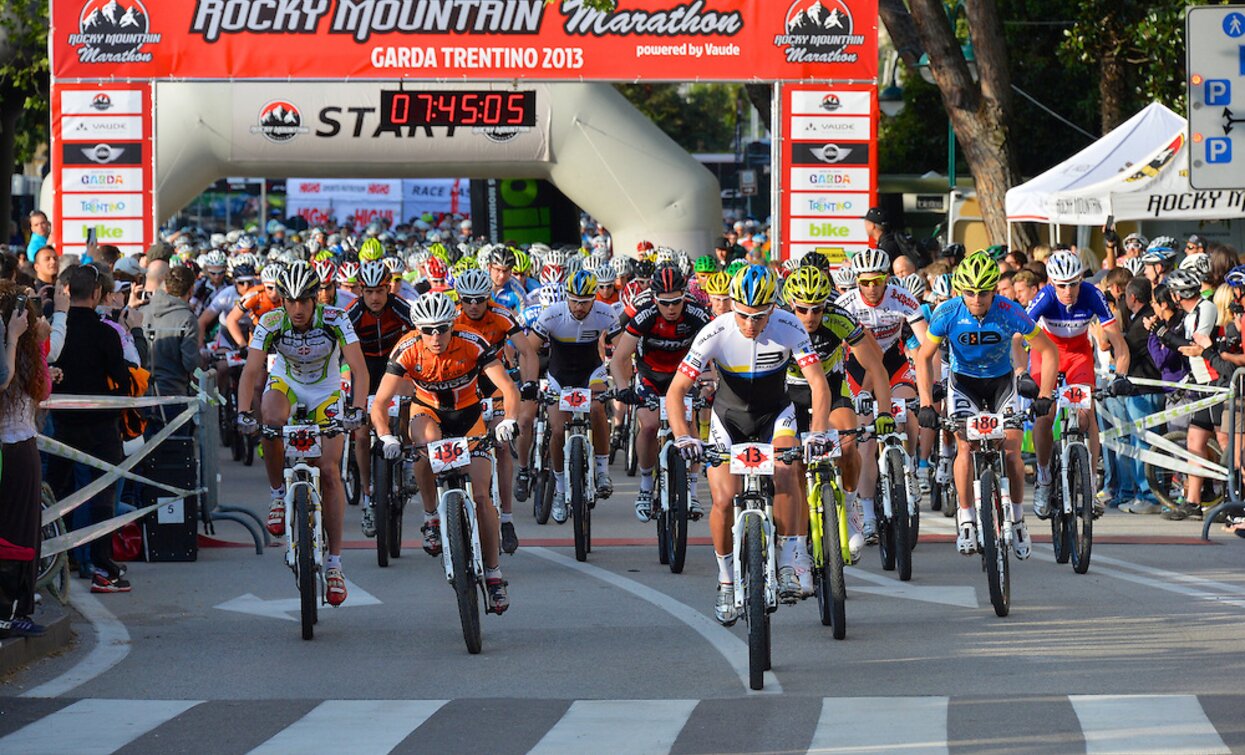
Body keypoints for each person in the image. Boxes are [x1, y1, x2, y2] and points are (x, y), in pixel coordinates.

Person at [666, 265, 833, 618]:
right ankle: (726, 581)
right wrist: (683, 436)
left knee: (786, 470)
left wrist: (817, 430)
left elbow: (818, 384)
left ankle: (787, 563)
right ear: (732, 306)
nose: (750, 324)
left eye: (759, 316)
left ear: (773, 308)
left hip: (776, 414)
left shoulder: (789, 325)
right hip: (729, 420)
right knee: (724, 499)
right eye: (743, 315)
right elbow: (676, 391)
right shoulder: (715, 331)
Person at [371, 292, 519, 613]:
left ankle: (494, 576)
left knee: (481, 498)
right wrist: (386, 436)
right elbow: (380, 402)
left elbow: (507, 387)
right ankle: (431, 518)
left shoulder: (472, 341)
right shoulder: (407, 349)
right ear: (418, 329)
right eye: (428, 330)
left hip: (469, 417)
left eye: (442, 329)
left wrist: (508, 419)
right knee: (425, 444)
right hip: (428, 413)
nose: (435, 337)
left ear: (453, 325)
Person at [237, 262, 368, 607]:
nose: (297, 309)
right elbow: (251, 371)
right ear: (282, 301)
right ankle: (278, 495)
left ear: (315, 300)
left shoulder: (336, 319)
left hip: (325, 390)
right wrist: (242, 412)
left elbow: (359, 368)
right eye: (290, 301)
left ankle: (335, 564)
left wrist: (357, 409)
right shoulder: (270, 321)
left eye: (304, 301)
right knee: (270, 418)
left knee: (329, 471)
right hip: (288, 384)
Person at [915, 252, 1060, 559]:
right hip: (963, 383)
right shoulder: (947, 312)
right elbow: (923, 357)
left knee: (1012, 451)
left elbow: (1048, 351)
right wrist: (927, 403)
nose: (977, 299)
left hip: (1001, 383)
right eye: (970, 292)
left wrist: (1045, 395)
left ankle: (1017, 520)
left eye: (983, 292)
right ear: (960, 291)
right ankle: (967, 518)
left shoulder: (1009, 310)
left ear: (994, 289)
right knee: (965, 447)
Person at [781, 266, 891, 561]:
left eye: (817, 309)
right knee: (794, 463)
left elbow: (876, 367)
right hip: (790, 392)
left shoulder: (838, 318)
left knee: (848, 446)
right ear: (790, 304)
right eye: (802, 309)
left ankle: (851, 506)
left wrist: (884, 412)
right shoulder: (779, 322)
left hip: (831, 386)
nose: (810, 317)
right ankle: (799, 529)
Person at [47, 264, 133, 593]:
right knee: (103, 495)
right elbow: (121, 381)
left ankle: (52, 560)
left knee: (56, 492)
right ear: (97, 293)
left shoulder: (57, 329)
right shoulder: (106, 333)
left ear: (68, 292)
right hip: (101, 424)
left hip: (62, 422)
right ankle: (101, 565)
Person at [1027, 251, 1131, 520]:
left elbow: (1120, 346)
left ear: (1082, 279)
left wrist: (1120, 376)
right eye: (1061, 285)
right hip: (1046, 353)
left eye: (1073, 283)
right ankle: (1044, 477)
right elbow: (1019, 335)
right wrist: (1019, 371)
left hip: (1078, 355)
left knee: (1087, 414)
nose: (1068, 291)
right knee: (1045, 415)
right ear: (1051, 282)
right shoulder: (1045, 297)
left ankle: (1091, 484)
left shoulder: (1092, 295)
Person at [834, 248, 928, 542]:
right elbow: (834, 348)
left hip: (894, 365)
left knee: (907, 411)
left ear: (887, 278)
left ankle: (909, 466)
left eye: (877, 281)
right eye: (865, 282)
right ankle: (868, 516)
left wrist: (929, 389)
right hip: (859, 371)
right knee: (865, 441)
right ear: (857, 281)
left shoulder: (902, 298)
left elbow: (926, 344)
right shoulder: (845, 304)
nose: (871, 288)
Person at [609, 265, 713, 521]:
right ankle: (646, 486)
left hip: (683, 376)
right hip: (651, 375)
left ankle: (692, 490)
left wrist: (712, 382)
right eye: (665, 303)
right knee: (649, 426)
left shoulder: (696, 314)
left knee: (688, 425)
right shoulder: (645, 315)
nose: (671, 308)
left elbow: (716, 351)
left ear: (685, 296)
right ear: (654, 299)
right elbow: (619, 358)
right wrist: (622, 388)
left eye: (677, 301)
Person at [453, 268, 538, 555]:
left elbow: (527, 351)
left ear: (488, 297)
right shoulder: (453, 318)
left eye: (479, 299)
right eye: (467, 299)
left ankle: (507, 519)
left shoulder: (501, 314)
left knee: (502, 444)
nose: (473, 305)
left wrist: (529, 383)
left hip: (495, 385)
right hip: (464, 387)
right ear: (459, 298)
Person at [526, 269, 619, 521]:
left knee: (597, 408)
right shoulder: (552, 314)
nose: (579, 307)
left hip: (591, 372)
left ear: (594, 298)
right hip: (559, 377)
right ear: (567, 297)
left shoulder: (605, 313)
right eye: (574, 301)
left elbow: (622, 349)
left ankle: (602, 471)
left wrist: (623, 382)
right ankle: (559, 489)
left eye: (585, 302)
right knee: (558, 430)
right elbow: (529, 350)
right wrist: (529, 382)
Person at [344, 260, 414, 538]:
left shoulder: (400, 307)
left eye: (380, 291)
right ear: (361, 291)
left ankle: (408, 458)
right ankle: (368, 495)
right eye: (369, 292)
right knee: (361, 435)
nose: (374, 298)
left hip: (395, 367)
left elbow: (420, 334)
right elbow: (337, 347)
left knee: (408, 401)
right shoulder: (353, 312)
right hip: (365, 371)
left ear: (388, 289)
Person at [0, 283, 45, 635]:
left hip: (15, 447)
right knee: (19, 532)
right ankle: (12, 610)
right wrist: (18, 339)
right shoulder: (18, 354)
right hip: (17, 448)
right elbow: (7, 380)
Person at [1107, 276, 1164, 513]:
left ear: (1132, 297)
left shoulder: (1144, 321)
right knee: (1136, 441)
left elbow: (1123, 350)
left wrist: (1106, 336)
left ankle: (1151, 496)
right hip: (1138, 390)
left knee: (1145, 443)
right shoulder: (1138, 319)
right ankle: (1141, 493)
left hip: (1146, 390)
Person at [143, 266, 200, 401]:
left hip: (143, 391)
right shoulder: (187, 318)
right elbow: (190, 363)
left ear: (166, 287)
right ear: (191, 289)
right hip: (174, 391)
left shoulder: (142, 312)